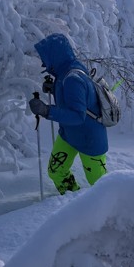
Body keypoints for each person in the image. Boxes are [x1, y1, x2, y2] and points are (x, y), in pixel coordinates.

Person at [29, 33, 108, 195]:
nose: (43, 61)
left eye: (45, 56)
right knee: (56, 170)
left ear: (55, 55)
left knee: (100, 184)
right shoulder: (65, 72)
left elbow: (78, 116)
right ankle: (72, 202)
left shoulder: (72, 78)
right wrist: (54, 88)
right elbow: (74, 98)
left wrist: (46, 110)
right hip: (69, 134)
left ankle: (113, 213)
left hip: (89, 138)